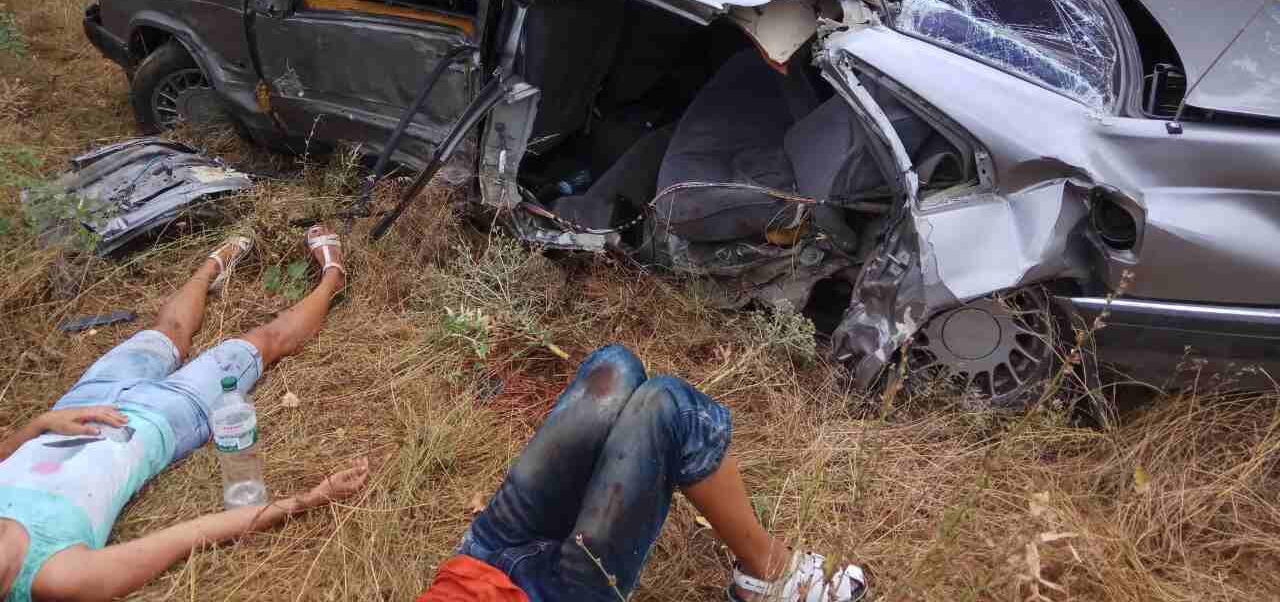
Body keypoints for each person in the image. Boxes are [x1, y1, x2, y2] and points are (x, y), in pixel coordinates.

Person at [0, 225, 370, 602]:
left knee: (168, 331)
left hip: (82, 402)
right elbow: (189, 535)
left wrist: (41, 423)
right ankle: (333, 279)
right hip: (158, 420)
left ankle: (211, 267)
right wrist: (309, 499)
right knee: (262, 342)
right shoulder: (55, 577)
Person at [416, 344, 866, 602]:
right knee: (670, 408)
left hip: (479, 556)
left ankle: (586, 510)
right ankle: (769, 576)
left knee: (615, 367)